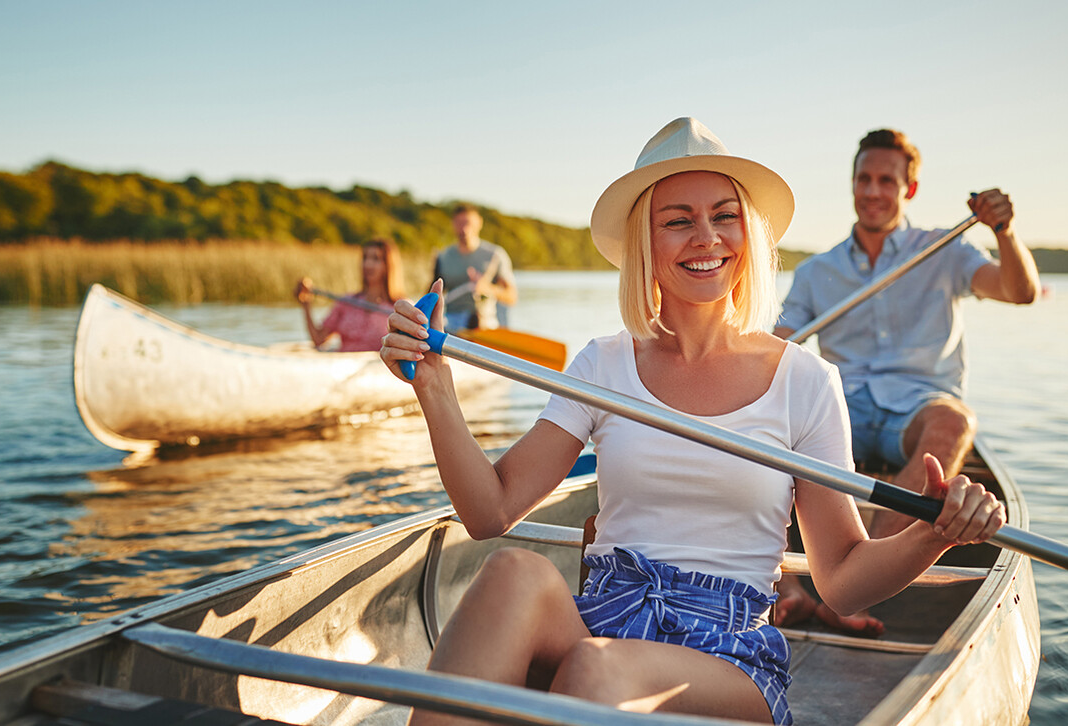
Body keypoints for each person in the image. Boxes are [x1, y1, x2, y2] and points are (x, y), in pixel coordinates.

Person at [380, 117, 1005, 725]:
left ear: (749, 235)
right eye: (677, 221)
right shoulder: (602, 364)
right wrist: (434, 387)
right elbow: (490, 512)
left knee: (599, 671)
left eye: (723, 216)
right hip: (607, 611)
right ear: (645, 246)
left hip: (728, 653)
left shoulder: (806, 381)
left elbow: (839, 579)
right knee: (514, 571)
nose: (706, 238)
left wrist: (935, 534)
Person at [770, 128, 1039, 635]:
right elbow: (777, 349)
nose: (873, 191)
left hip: (916, 408)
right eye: (864, 179)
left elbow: (1018, 291)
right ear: (852, 185)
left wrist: (1004, 232)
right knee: (768, 415)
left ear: (908, 189)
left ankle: (854, 579)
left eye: (886, 181)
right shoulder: (817, 271)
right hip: (842, 407)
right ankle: (788, 589)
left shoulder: (945, 250)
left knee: (955, 423)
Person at [294, 237, 405, 352]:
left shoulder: (401, 308)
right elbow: (318, 339)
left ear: (388, 265)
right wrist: (306, 304)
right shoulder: (346, 302)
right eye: (365, 258)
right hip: (343, 366)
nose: (367, 264)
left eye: (376, 259)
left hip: (378, 367)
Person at [432, 203, 518, 330]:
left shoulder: (495, 255)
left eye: (468, 223)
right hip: (450, 324)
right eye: (459, 223)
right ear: (453, 224)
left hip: (485, 324)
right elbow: (430, 294)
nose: (464, 229)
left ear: (479, 223)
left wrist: (488, 288)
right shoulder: (443, 257)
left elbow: (512, 296)